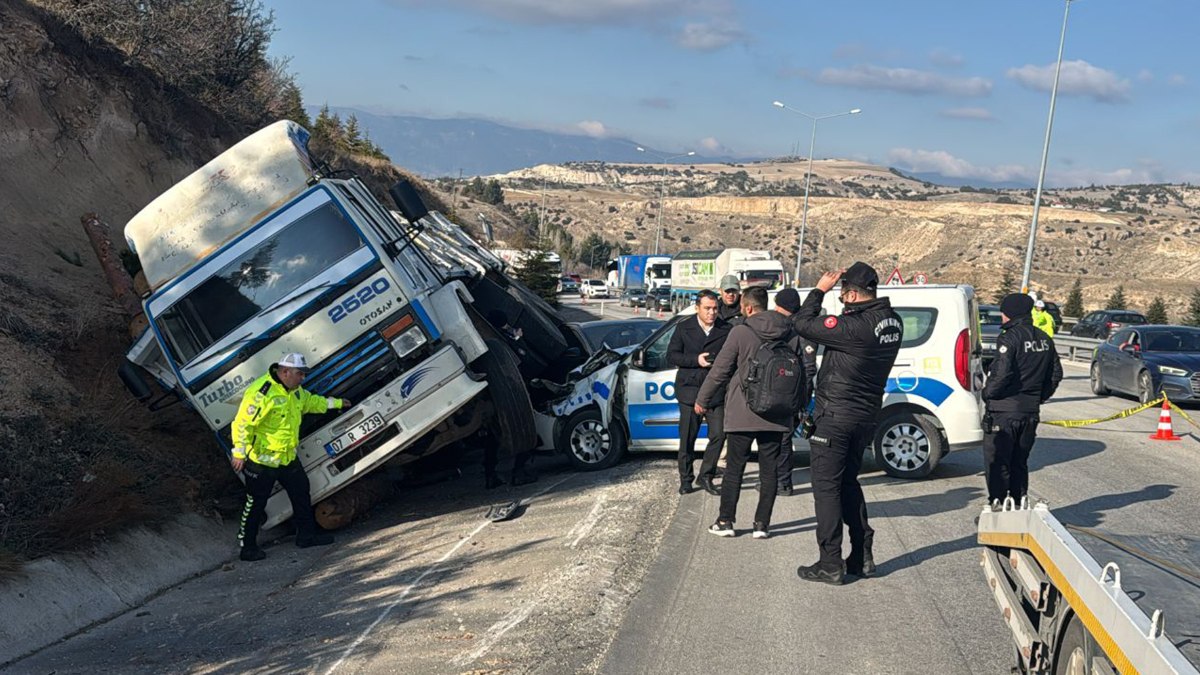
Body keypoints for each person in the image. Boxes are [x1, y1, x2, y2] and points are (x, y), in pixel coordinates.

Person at [788, 263, 902, 585]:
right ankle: (862, 556)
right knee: (848, 483)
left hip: (835, 417)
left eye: (842, 294)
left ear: (852, 294)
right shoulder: (892, 321)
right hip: (865, 416)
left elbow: (801, 323)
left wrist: (819, 290)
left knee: (826, 489)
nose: (841, 300)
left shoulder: (855, 326)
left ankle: (830, 562)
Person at [695, 286, 805, 539]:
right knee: (770, 471)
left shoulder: (740, 332)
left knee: (735, 468)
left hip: (742, 412)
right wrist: (796, 408)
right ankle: (761, 525)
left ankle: (725, 521)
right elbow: (802, 374)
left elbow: (720, 371)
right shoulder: (790, 333)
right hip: (777, 413)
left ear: (747, 308)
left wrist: (703, 399)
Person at [231, 353, 348, 561]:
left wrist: (336, 403)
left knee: (301, 492)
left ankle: (306, 535)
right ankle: (247, 547)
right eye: (299, 374)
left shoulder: (294, 391)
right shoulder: (261, 393)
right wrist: (239, 453)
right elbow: (243, 424)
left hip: (287, 458)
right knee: (255, 503)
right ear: (285, 372)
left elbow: (310, 402)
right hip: (262, 461)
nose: (302, 378)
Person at [982, 293, 1063, 507]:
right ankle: (1018, 505)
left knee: (998, 462)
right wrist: (1039, 397)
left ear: (1010, 313)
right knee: (1020, 462)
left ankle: (998, 506)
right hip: (1030, 412)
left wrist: (988, 393)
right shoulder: (1044, 339)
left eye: (1003, 311)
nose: (1001, 315)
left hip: (1004, 411)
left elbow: (1002, 374)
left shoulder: (1009, 338)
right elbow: (1056, 374)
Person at [668, 289, 732, 495]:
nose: (712, 313)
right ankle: (686, 479)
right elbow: (672, 355)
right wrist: (696, 360)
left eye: (715, 309)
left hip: (716, 392)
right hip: (689, 390)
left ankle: (706, 476)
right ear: (697, 308)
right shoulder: (683, 327)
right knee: (687, 438)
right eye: (707, 309)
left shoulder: (726, 329)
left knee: (719, 436)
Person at [772, 287, 817, 496]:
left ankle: (783, 482)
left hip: (792, 395)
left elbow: (808, 368)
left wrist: (800, 400)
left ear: (781, 306)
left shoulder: (798, 330)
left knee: (782, 439)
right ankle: (777, 479)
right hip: (785, 392)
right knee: (779, 438)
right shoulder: (791, 326)